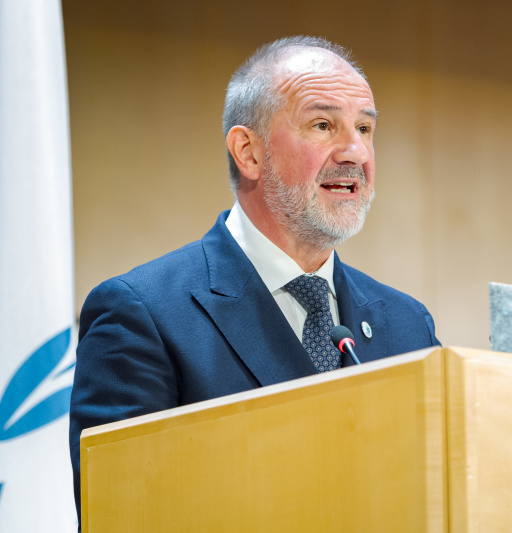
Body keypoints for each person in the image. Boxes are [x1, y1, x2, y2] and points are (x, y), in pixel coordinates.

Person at [68, 36, 440, 521]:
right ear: (248, 152)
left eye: (365, 128)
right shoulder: (142, 314)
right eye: (323, 124)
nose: (354, 151)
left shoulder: (409, 325)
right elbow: (126, 515)